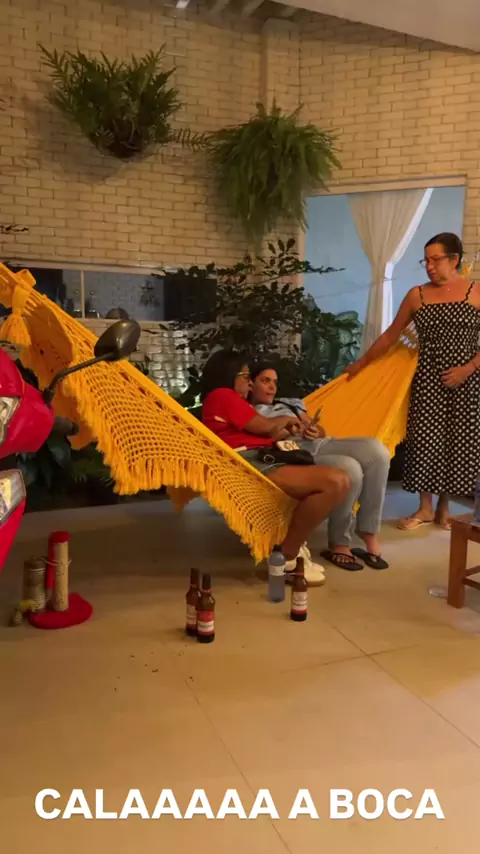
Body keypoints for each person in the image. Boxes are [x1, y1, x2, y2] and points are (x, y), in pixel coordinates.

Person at [345, 232, 480, 531]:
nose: (429, 266)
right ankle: (425, 507)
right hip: (427, 379)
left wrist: (468, 368)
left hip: (466, 381)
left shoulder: (475, 291)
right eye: (426, 261)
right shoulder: (416, 295)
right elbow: (391, 336)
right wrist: (361, 363)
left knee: (457, 442)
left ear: (454, 259)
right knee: (424, 440)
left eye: (435, 260)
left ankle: (444, 508)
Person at [200, 349, 351, 586]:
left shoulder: (225, 400)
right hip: (249, 464)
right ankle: (287, 557)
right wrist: (287, 420)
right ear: (229, 374)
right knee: (335, 482)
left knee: (339, 480)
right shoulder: (223, 395)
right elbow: (264, 426)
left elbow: (260, 431)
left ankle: (292, 551)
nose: (249, 383)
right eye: (245, 376)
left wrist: (283, 429)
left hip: (261, 458)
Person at [249, 362, 391, 571]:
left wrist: (315, 430)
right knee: (350, 467)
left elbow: (320, 429)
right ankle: (340, 543)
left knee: (377, 451)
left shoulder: (291, 403)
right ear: (251, 384)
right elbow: (261, 440)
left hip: (320, 443)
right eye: (265, 381)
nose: (272, 387)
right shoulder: (249, 411)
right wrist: (288, 429)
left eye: (275, 382)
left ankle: (368, 532)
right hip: (295, 452)